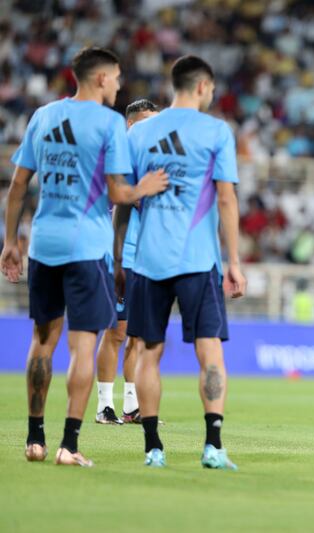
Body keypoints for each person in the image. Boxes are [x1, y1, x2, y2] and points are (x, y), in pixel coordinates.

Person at [0, 47, 168, 467]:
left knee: (41, 342)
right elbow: (116, 194)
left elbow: (18, 185)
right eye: (115, 78)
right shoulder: (109, 124)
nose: (117, 85)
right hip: (87, 248)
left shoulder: (42, 117)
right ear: (99, 78)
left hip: (43, 244)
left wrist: (10, 242)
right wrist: (143, 189)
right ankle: (69, 445)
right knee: (81, 346)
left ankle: (34, 438)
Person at [123, 55, 246, 469]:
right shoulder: (215, 131)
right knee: (209, 351)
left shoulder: (139, 133)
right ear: (201, 87)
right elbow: (226, 198)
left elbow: (120, 196)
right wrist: (234, 260)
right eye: (211, 89)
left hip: (148, 259)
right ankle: (212, 444)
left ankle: (152, 447)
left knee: (148, 352)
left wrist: (123, 255)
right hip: (197, 259)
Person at [94, 99, 159, 425]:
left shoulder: (153, 161)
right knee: (117, 333)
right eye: (149, 123)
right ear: (132, 126)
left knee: (140, 336)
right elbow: (118, 205)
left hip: (149, 259)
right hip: (123, 256)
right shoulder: (117, 158)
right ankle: (105, 405)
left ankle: (132, 406)